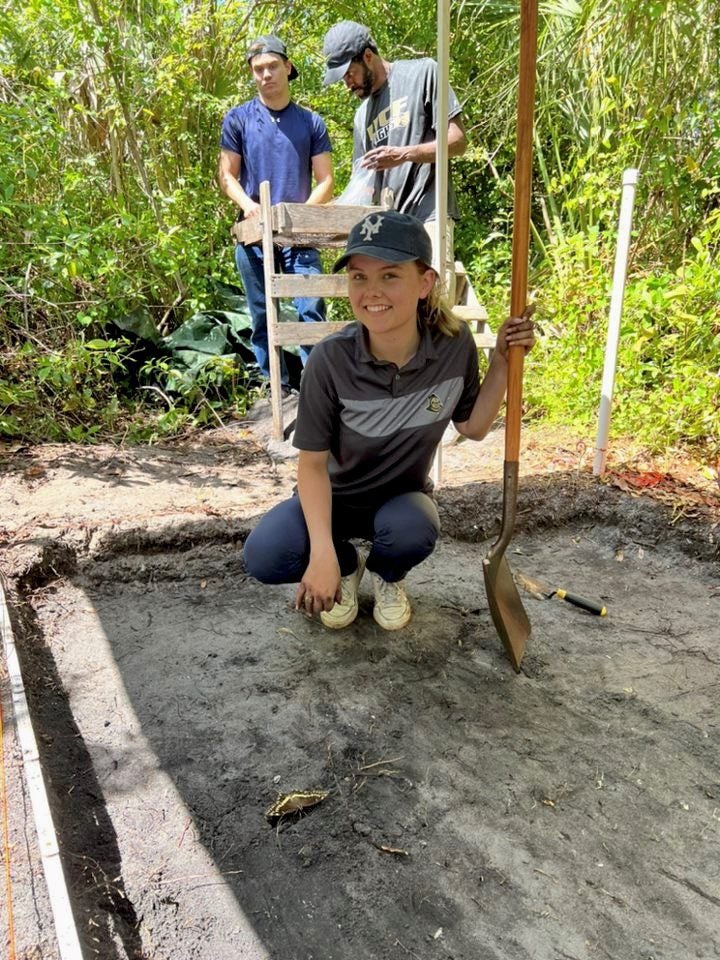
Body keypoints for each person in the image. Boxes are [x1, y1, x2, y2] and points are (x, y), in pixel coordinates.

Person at [243, 210, 535, 631]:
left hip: (402, 501)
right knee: (265, 555)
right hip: (334, 501)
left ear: (425, 283)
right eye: (359, 277)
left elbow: (472, 427)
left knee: (414, 529)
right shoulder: (330, 361)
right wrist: (323, 554)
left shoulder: (453, 347)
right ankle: (346, 566)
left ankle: (388, 575)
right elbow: (310, 467)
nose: (371, 291)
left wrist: (504, 361)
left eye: (390, 276)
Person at [218, 35, 334, 392]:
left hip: (300, 234)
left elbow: (326, 180)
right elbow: (227, 176)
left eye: (272, 66)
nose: (266, 74)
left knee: (310, 310)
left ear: (287, 67)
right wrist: (249, 206)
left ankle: (316, 390)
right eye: (258, 69)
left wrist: (301, 215)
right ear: (253, 74)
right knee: (262, 315)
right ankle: (275, 388)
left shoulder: (311, 122)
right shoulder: (238, 119)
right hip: (253, 234)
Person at [321, 21, 466, 274]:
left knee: (433, 301)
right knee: (399, 311)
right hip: (390, 229)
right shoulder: (361, 116)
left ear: (368, 56)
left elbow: (457, 141)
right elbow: (363, 183)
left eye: (349, 73)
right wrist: (332, 209)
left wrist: (404, 154)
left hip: (430, 213)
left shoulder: (423, 74)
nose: (347, 84)